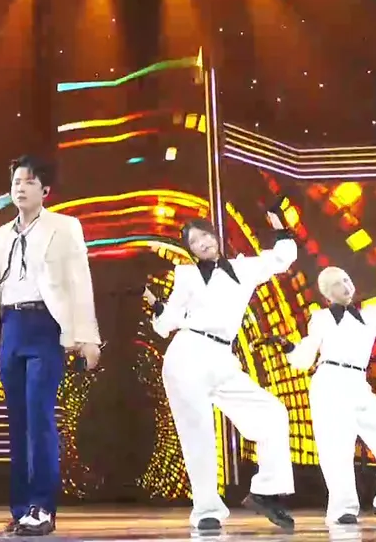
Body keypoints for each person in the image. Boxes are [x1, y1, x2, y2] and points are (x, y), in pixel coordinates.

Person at [143, 212, 298, 534]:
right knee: (198, 433)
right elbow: (166, 324)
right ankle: (206, 510)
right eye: (194, 242)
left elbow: (283, 258)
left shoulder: (245, 268)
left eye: (205, 236)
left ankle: (266, 490)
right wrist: (157, 306)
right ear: (190, 249)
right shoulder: (186, 275)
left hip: (222, 356)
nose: (202, 243)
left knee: (272, 414)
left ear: (215, 236)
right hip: (188, 352)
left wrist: (281, 228)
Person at [0, 155, 100, 537]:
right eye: (16, 181)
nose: (21, 187)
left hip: (45, 325)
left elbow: (79, 281)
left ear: (45, 190)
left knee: (39, 417)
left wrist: (88, 337)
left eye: (29, 182)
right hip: (11, 326)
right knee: (17, 422)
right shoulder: (0, 235)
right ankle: (20, 509)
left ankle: (42, 506)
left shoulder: (64, 227)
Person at [283, 263, 376, 525]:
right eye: (337, 284)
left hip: (358, 383)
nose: (345, 287)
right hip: (330, 381)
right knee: (336, 447)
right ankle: (342, 510)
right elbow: (305, 357)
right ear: (327, 294)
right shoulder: (321, 318)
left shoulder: (369, 317)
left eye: (347, 280)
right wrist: (289, 348)